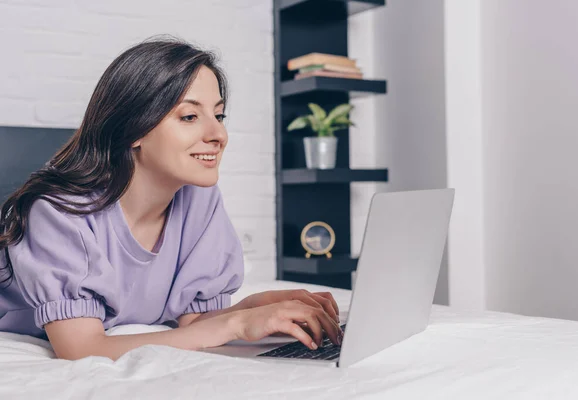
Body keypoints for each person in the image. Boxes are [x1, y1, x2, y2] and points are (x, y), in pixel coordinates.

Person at [0, 37, 343, 361]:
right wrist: (235, 324)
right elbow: (82, 347)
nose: (218, 135)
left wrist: (256, 307)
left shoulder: (199, 200)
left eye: (218, 115)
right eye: (190, 116)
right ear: (134, 129)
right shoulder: (58, 211)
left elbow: (195, 325)